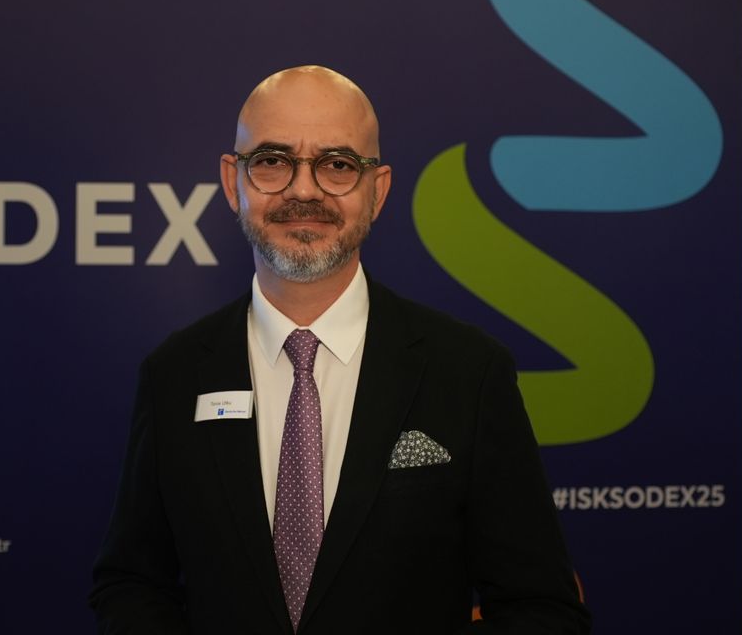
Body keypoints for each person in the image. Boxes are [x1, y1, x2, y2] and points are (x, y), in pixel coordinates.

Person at [90, 66, 589, 634]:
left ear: (377, 191)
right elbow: (133, 585)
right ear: (233, 182)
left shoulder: (469, 373)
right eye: (272, 160)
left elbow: (541, 606)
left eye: (338, 164)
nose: (304, 191)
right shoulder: (174, 375)